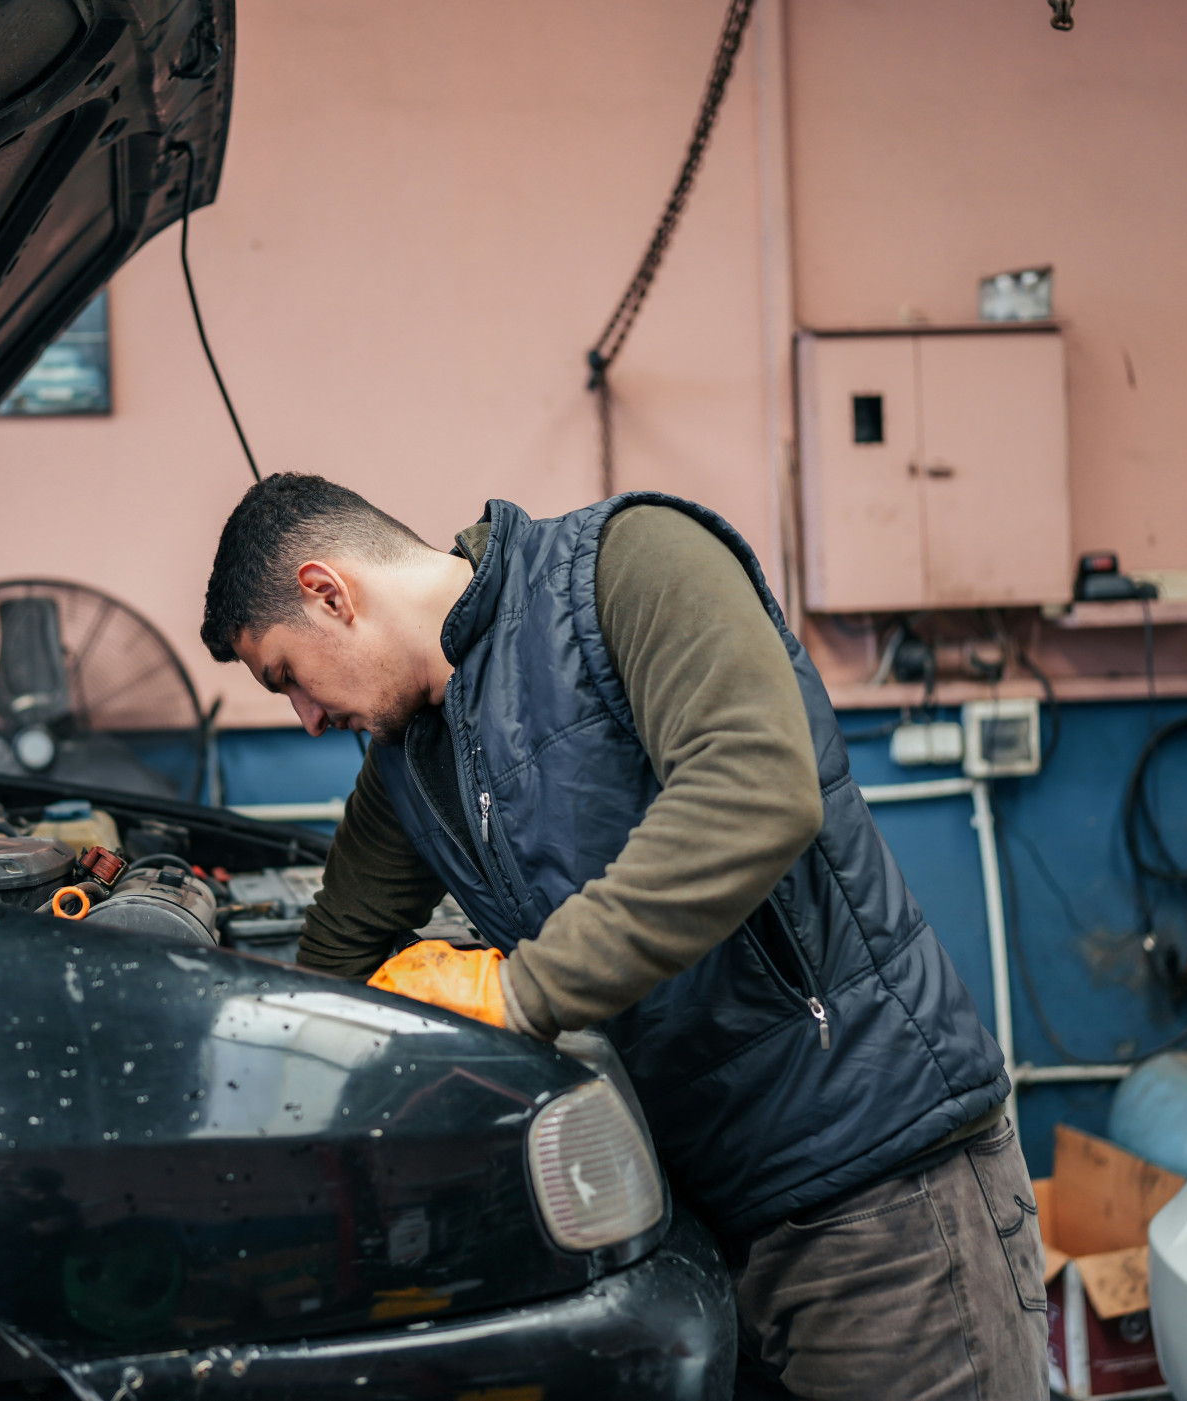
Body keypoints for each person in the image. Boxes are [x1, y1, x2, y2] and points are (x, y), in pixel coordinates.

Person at [199, 474, 1048, 1400]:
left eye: (286, 675)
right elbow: (332, 963)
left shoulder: (625, 566)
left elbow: (755, 793)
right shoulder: (411, 761)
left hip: (877, 1195)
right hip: (694, 1229)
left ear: (329, 592)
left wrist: (515, 995)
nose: (307, 718)